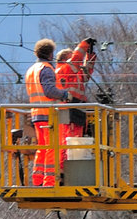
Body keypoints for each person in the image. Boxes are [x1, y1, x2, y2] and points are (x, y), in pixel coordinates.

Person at [25, 38, 72, 186]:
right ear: (51, 54)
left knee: (43, 147)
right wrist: (65, 94)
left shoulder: (31, 69)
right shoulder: (46, 69)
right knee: (54, 147)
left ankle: (38, 179)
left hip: (37, 115)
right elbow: (50, 91)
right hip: (49, 115)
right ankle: (50, 181)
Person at [55, 38, 97, 180]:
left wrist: (90, 55)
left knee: (75, 142)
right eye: (70, 55)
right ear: (64, 59)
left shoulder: (74, 73)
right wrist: (83, 46)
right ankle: (62, 172)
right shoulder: (62, 70)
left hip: (77, 109)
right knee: (68, 142)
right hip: (68, 109)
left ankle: (71, 171)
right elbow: (75, 61)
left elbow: (86, 72)